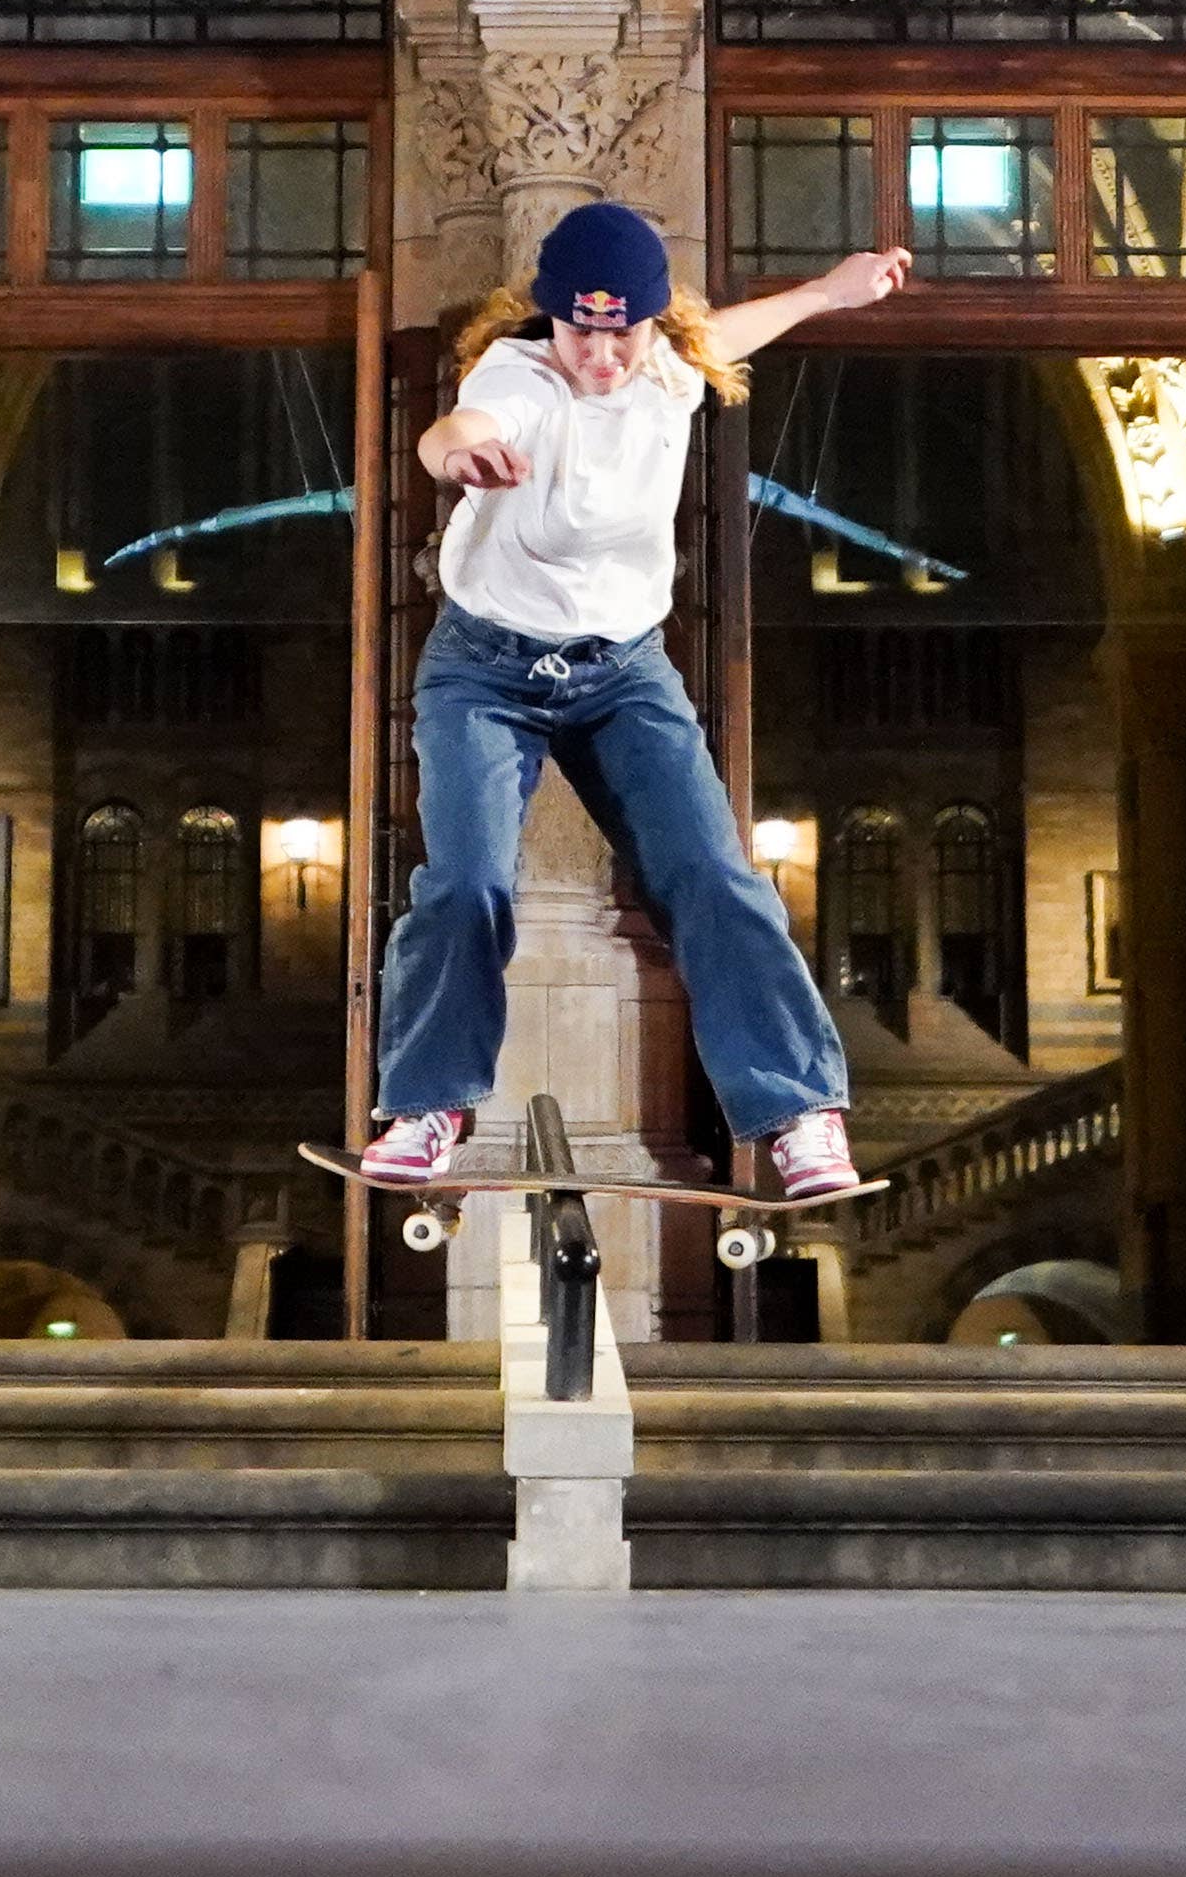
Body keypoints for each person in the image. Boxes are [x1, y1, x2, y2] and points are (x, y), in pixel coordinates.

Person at [356, 198, 912, 1198]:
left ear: (652, 323)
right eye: (581, 332)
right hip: (484, 668)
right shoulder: (517, 372)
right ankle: (426, 1102)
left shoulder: (667, 364)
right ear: (550, 316)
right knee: (468, 879)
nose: (602, 359)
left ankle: (799, 1110)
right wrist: (455, 456)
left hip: (623, 671)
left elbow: (734, 330)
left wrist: (832, 291)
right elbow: (458, 425)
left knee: (711, 871)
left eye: (623, 335)